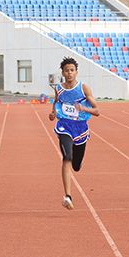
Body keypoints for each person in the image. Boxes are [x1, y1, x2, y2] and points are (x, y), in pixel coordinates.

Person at [48, 57, 100, 210]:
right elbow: (57, 102)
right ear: (62, 73)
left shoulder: (83, 88)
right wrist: (52, 113)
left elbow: (97, 111)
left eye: (72, 70)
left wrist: (83, 109)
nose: (69, 73)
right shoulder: (59, 88)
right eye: (66, 70)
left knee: (76, 165)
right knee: (67, 157)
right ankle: (68, 196)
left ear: (76, 72)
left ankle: (77, 163)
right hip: (64, 126)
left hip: (80, 127)